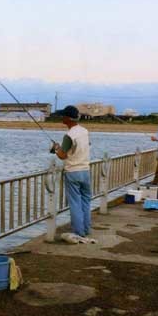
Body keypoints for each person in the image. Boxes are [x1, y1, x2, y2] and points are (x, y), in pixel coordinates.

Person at [51, 105, 93, 244]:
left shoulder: (69, 135)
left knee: (75, 203)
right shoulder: (85, 131)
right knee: (85, 201)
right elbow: (86, 146)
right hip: (85, 171)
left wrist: (57, 148)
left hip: (73, 172)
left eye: (63, 115)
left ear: (68, 118)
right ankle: (86, 229)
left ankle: (78, 232)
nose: (61, 117)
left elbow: (63, 156)